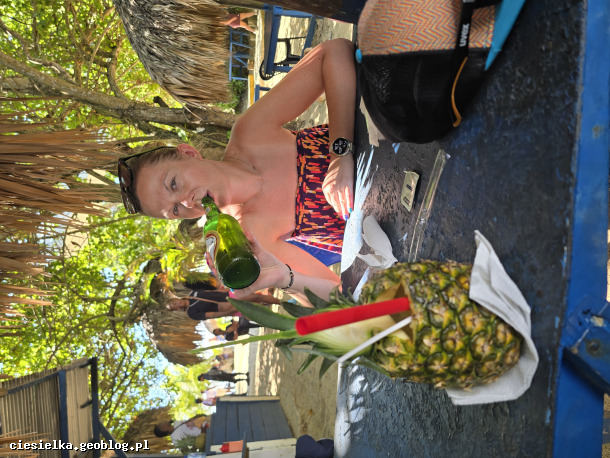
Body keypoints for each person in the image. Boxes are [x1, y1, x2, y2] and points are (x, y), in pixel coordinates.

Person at [117, 39, 356, 305]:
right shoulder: (249, 236)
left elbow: (333, 52)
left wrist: (340, 153)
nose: (187, 202)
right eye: (175, 210)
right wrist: (283, 279)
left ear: (189, 153)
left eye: (173, 184)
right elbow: (340, 300)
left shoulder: (250, 133)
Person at [166, 288, 279, 321]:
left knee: (257, 297)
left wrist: (229, 290)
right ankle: (279, 319)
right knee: (258, 312)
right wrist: (230, 311)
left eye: (174, 303)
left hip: (229, 295)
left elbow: (212, 291)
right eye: (174, 308)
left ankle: (283, 303)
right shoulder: (192, 313)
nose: (176, 305)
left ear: (176, 299)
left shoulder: (193, 293)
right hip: (228, 308)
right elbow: (212, 315)